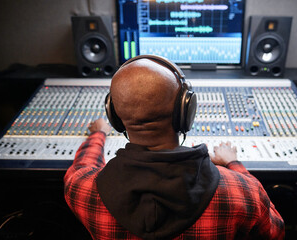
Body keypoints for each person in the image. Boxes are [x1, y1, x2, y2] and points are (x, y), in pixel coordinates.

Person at [64, 56, 285, 240]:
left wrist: (97, 134)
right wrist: (234, 164)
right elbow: (275, 232)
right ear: (186, 111)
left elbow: (82, 166)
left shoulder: (82, 190)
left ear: (115, 117)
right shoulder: (241, 194)